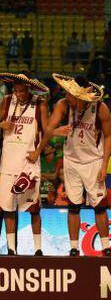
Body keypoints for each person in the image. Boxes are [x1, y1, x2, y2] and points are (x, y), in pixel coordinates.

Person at [28, 74, 111, 257]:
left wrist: (105, 164)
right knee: (73, 206)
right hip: (71, 160)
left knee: (99, 206)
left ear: (81, 96)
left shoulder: (101, 108)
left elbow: (108, 136)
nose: (67, 96)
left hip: (93, 161)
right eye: (67, 93)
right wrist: (56, 131)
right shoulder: (63, 105)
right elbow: (49, 129)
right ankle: (74, 248)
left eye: (71, 94)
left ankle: (106, 247)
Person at [0, 72, 50, 255]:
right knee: (8, 208)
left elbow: (48, 131)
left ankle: (38, 249)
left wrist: (38, 151)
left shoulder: (40, 104)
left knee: (34, 208)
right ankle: (12, 249)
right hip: (7, 162)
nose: (18, 94)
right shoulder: (6, 100)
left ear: (29, 88)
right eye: (16, 90)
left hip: (29, 164)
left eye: (22, 91)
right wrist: (1, 125)